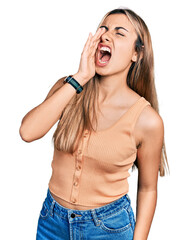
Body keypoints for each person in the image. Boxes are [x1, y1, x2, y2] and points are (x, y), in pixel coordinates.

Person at [19, 7, 169, 240]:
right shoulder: (69, 88)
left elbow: (148, 189)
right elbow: (27, 132)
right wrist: (80, 77)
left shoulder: (147, 121)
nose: (106, 35)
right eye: (103, 29)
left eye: (119, 33)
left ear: (137, 54)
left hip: (109, 228)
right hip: (52, 223)